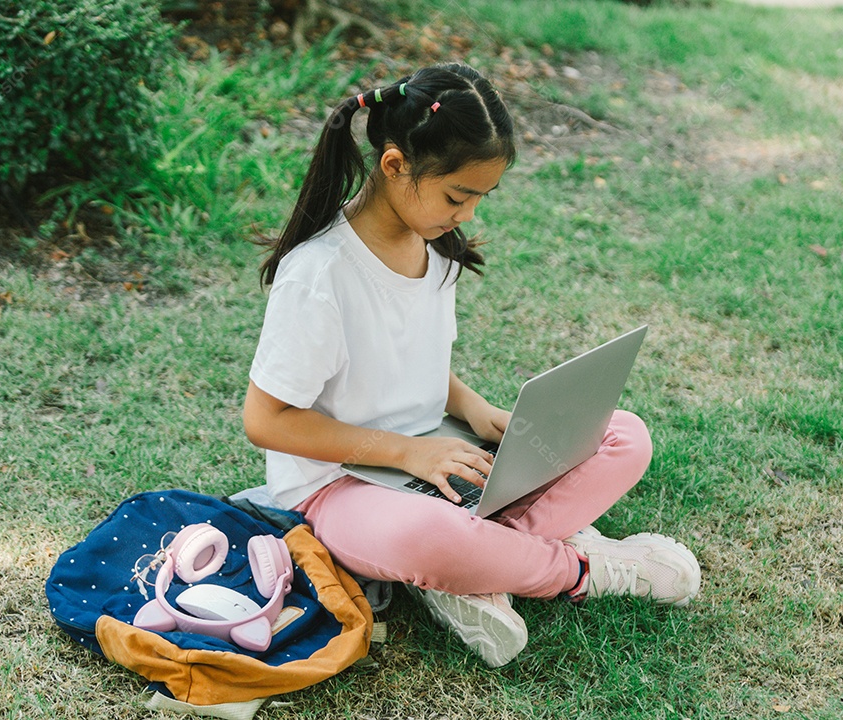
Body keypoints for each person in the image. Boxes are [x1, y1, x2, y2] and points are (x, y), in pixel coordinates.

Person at [241, 63, 701, 668]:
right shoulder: (320, 275)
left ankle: (472, 573)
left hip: (440, 455)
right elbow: (268, 420)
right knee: (427, 536)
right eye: (459, 195)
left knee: (623, 436)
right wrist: (408, 454)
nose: (470, 215)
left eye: (482, 197)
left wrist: (475, 411)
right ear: (395, 165)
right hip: (340, 485)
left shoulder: (432, 249)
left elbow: (408, 361)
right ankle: (581, 569)